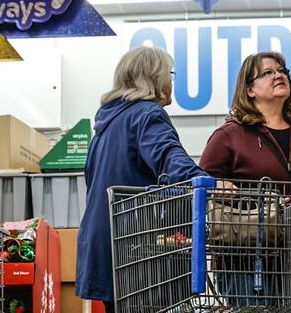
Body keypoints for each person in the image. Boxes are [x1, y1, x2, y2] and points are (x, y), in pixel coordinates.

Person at [75, 46, 210, 313]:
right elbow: (167, 154)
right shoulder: (147, 113)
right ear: (155, 78)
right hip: (133, 249)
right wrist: (202, 180)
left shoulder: (105, 126)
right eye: (169, 75)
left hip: (102, 243)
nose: (170, 83)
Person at [199, 51, 291, 307]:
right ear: (250, 89)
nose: (278, 75)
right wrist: (219, 187)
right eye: (268, 72)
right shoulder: (229, 135)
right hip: (246, 261)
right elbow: (203, 185)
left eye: (282, 71)